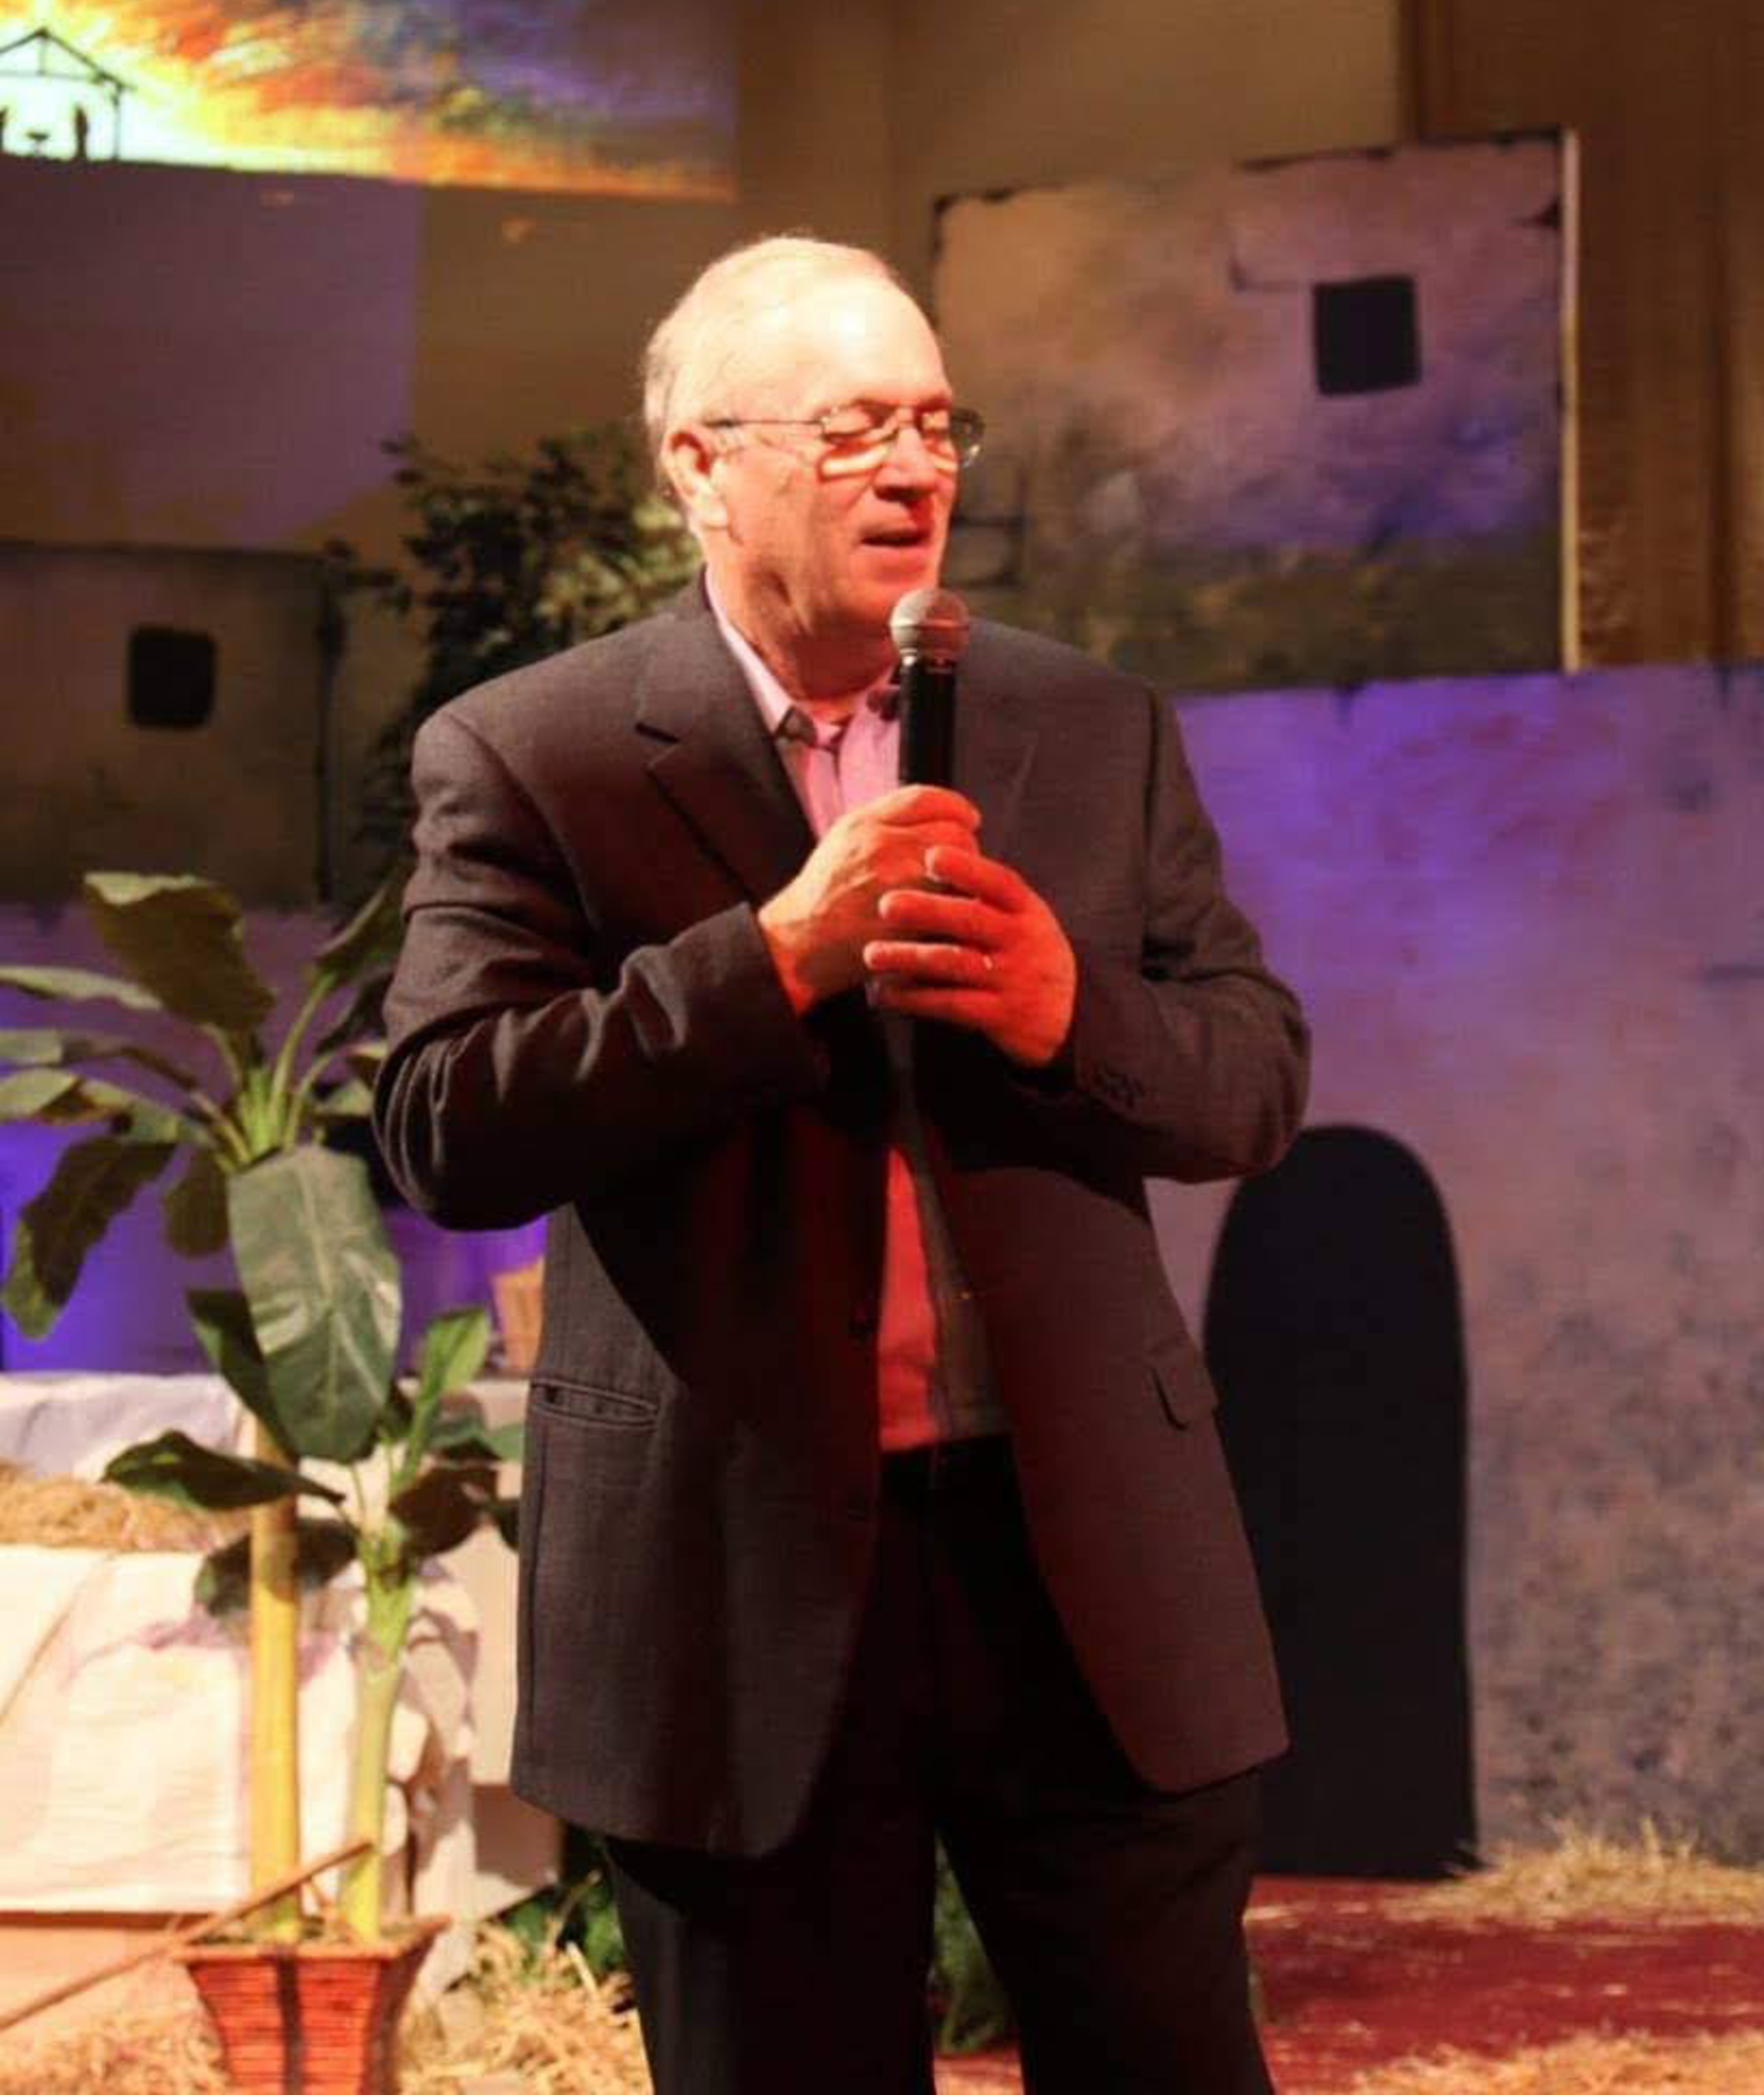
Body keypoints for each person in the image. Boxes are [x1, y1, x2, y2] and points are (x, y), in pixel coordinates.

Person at [376, 237, 1308, 2094]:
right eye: (855, 430)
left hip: (1081, 1558)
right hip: (740, 1581)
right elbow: (447, 1125)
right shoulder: (541, 752)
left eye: (938, 426)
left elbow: (1252, 1080)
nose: (915, 470)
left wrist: (1069, 1014)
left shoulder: (1086, 724)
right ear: (701, 465)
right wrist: (772, 961)